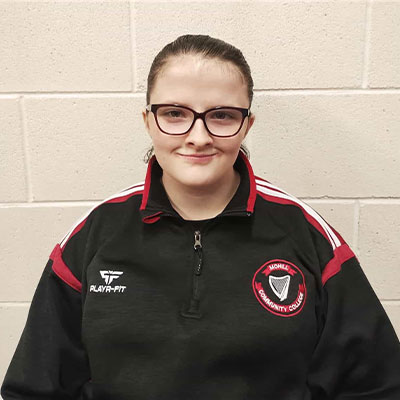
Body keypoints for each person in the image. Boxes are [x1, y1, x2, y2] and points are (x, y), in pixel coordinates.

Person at [1, 34, 400, 400]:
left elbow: (379, 386)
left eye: (222, 115)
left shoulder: (308, 236)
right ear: (148, 121)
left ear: (247, 125)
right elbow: (33, 389)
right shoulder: (92, 236)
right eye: (175, 113)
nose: (198, 137)